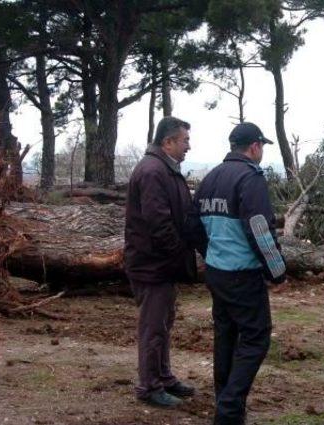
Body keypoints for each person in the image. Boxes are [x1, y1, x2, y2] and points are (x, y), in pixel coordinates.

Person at [194, 122, 286, 424]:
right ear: (255, 147)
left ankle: (226, 402)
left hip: (217, 272)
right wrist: (277, 271)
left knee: (226, 336)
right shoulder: (250, 178)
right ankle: (230, 408)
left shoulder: (210, 178)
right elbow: (259, 228)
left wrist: (211, 253)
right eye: (262, 148)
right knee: (256, 338)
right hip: (242, 274)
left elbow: (191, 226)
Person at [124, 116, 198, 407]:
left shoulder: (166, 169)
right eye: (185, 140)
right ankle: (149, 387)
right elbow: (159, 223)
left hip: (162, 265)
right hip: (152, 265)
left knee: (164, 323)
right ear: (168, 142)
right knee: (153, 327)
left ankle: (164, 377)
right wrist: (179, 251)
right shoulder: (153, 171)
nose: (188, 146)